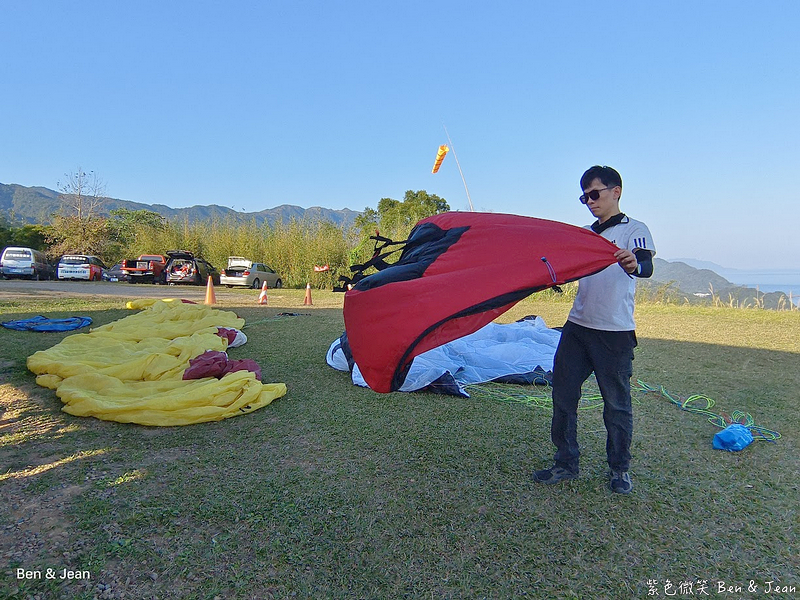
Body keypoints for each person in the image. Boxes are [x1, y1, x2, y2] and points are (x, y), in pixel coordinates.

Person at [533, 165, 655, 494]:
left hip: (613, 332)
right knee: (563, 396)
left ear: (616, 192)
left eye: (595, 193)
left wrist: (633, 263)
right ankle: (565, 463)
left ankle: (619, 470)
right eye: (584, 196)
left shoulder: (634, 229)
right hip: (577, 327)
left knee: (616, 404)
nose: (589, 201)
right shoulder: (586, 236)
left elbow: (645, 265)